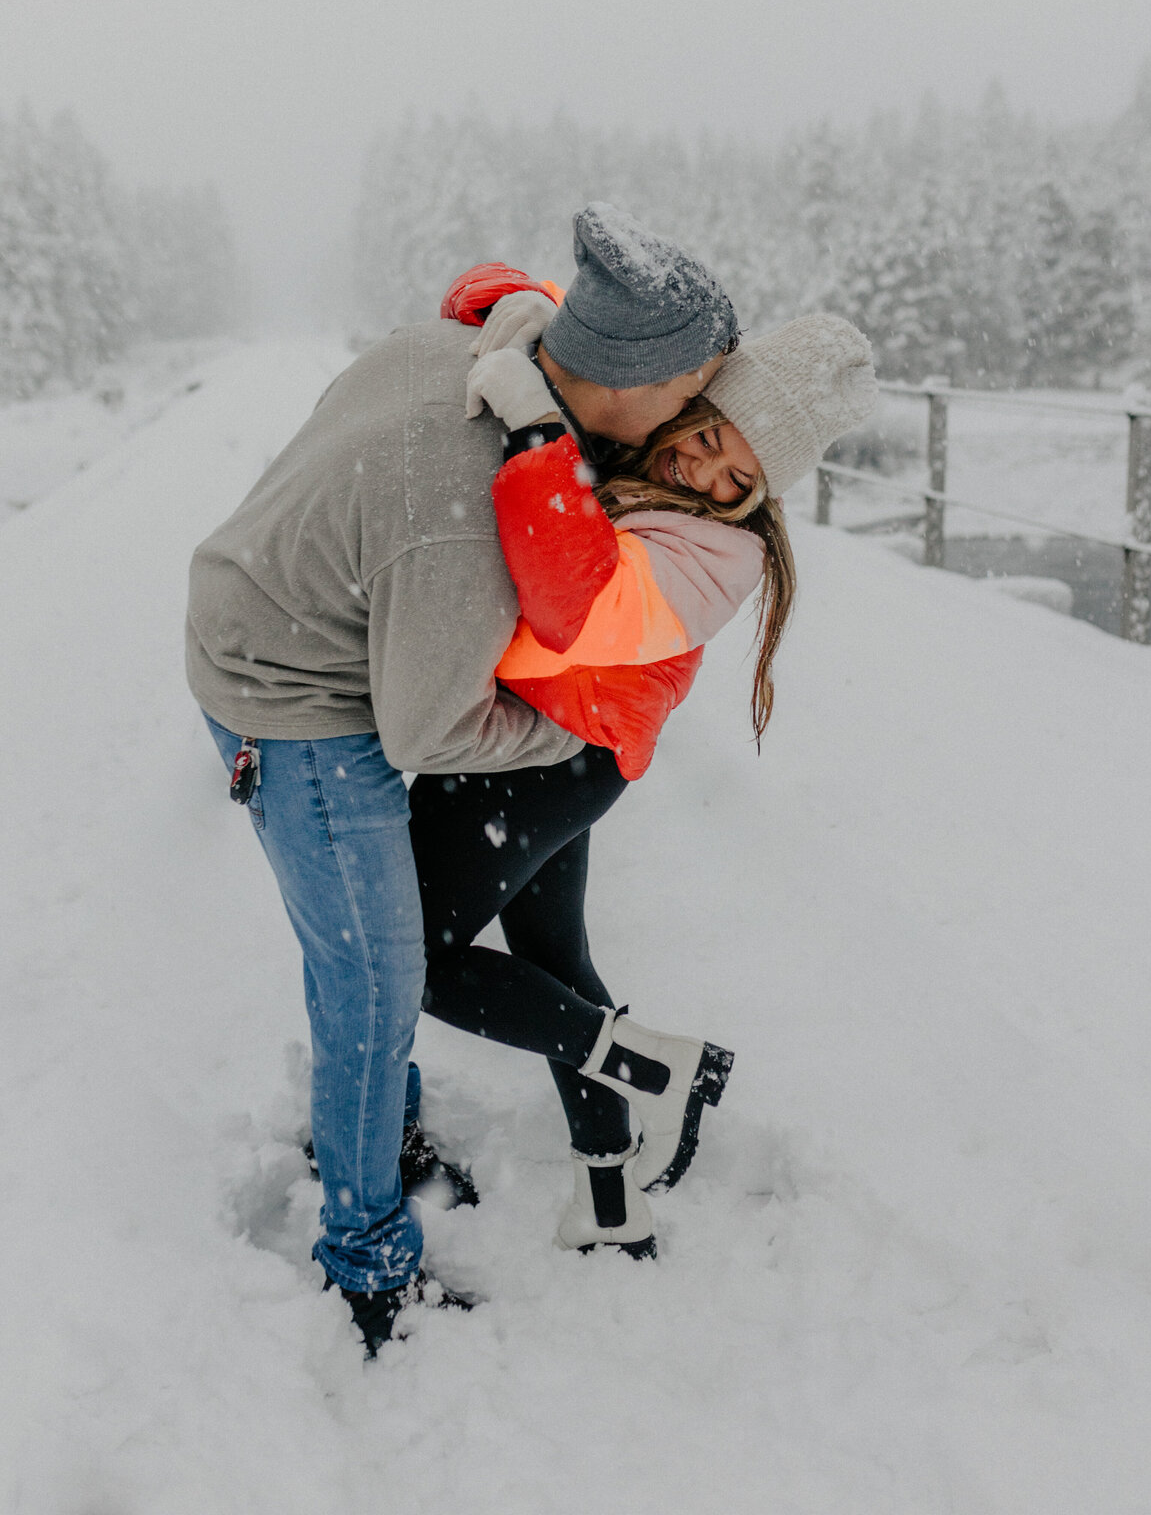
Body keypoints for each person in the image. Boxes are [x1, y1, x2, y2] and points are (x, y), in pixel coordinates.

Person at [185, 203, 740, 1355]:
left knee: (387, 958)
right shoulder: (470, 515)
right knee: (379, 981)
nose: (703, 411)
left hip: (269, 613)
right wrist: (568, 742)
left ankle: (385, 1136)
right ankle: (370, 1273)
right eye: (698, 386)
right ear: (632, 378)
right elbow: (428, 728)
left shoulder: (466, 354)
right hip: (295, 702)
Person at [409, 305, 877, 1263]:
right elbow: (532, 300)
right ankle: (613, 1195)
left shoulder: (723, 552)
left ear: (761, 497)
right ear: (688, 412)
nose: (705, 474)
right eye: (707, 439)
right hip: (554, 745)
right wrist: (521, 307)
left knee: (404, 956)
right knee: (553, 966)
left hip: (541, 761)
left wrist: (539, 429)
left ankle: (659, 1069)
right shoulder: (643, 460)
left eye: (738, 478)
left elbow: (574, 607)